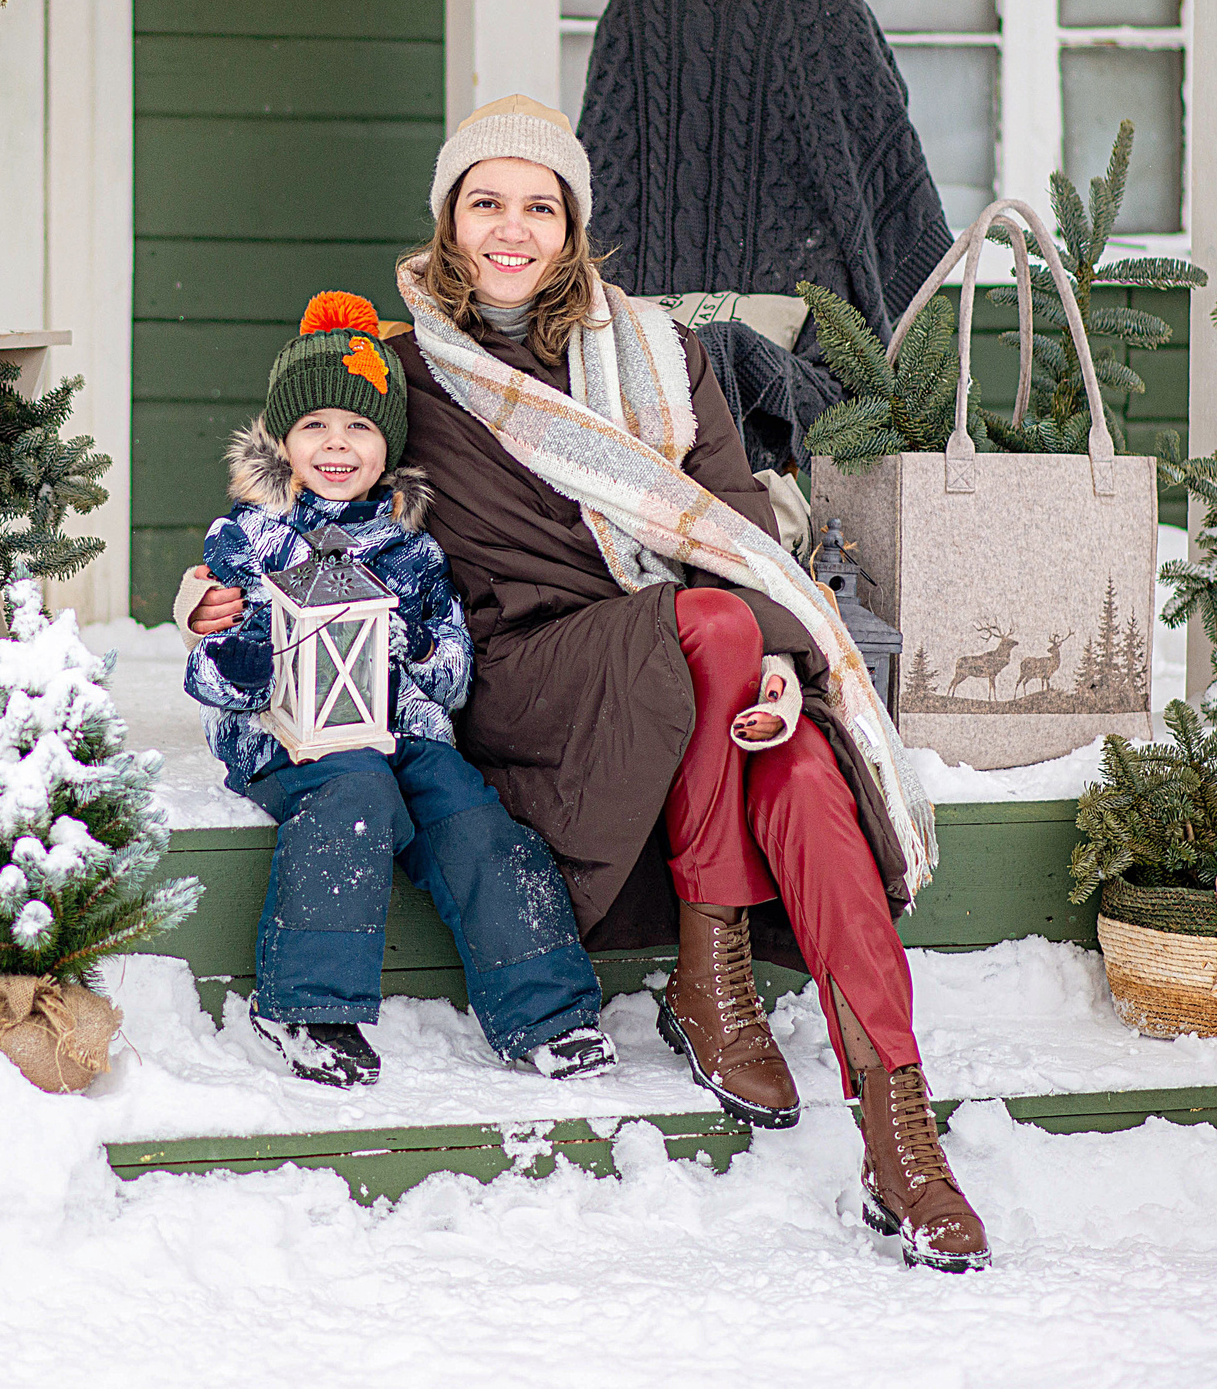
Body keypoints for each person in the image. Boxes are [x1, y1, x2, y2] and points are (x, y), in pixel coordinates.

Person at [185, 98, 988, 1271]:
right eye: (485, 203)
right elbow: (310, 499)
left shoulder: (664, 357)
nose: (511, 231)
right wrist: (224, 602)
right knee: (708, 626)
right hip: (526, 685)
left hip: (693, 657)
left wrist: (769, 672)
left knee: (804, 765)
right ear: (449, 221)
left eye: (538, 206)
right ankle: (712, 976)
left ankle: (900, 1138)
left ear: (573, 226)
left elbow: (745, 545)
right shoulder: (406, 374)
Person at [183, 290, 615, 1092]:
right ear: (283, 440)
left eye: (359, 427)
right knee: (355, 791)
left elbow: (451, 659)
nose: (337, 444)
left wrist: (413, 655)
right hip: (289, 736)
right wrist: (238, 642)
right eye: (315, 425)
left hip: (398, 726)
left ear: (390, 446)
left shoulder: (412, 545)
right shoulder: (246, 536)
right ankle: (307, 1003)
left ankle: (549, 1009)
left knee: (469, 813)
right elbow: (215, 675)